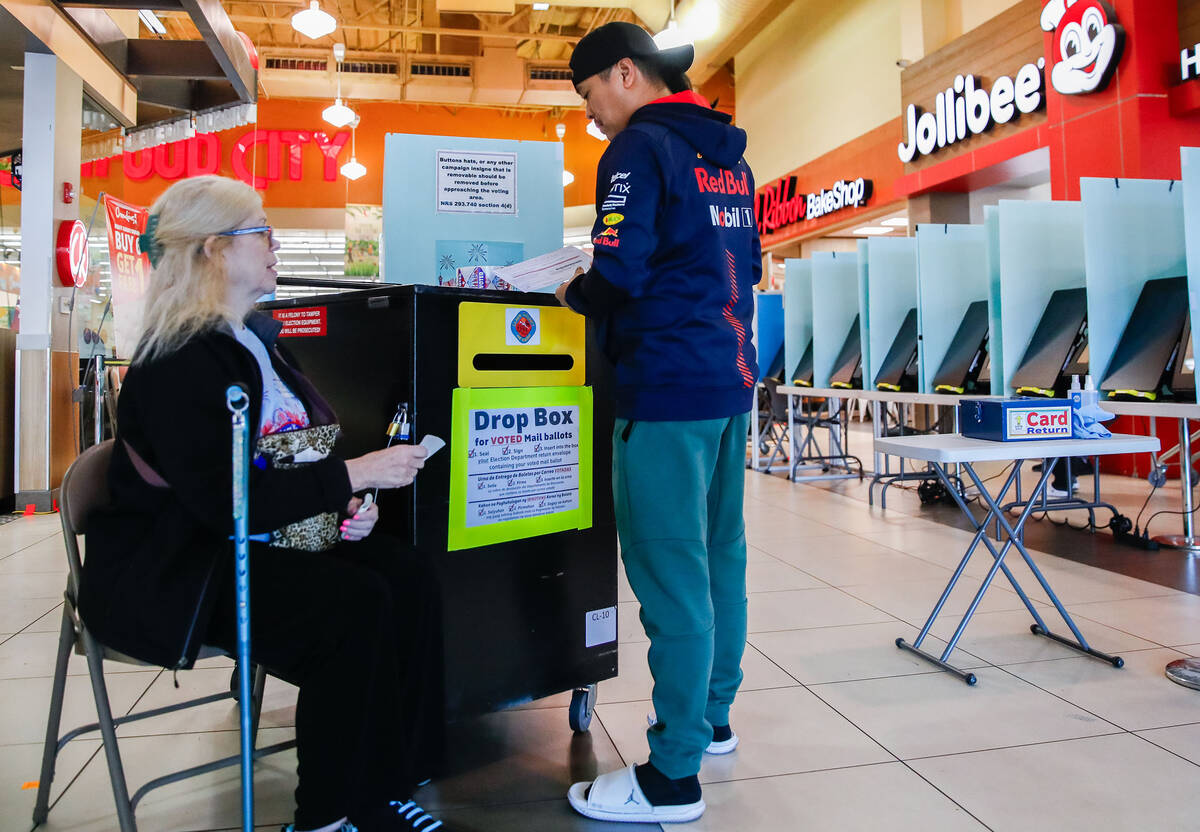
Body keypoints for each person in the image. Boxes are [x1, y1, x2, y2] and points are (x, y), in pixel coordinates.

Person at [78, 175, 447, 832]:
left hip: (262, 546)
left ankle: (383, 786)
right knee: (353, 608)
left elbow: (286, 460)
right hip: (185, 567)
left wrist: (342, 505)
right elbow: (224, 501)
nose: (277, 245)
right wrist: (356, 472)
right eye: (263, 233)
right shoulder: (176, 360)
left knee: (407, 574)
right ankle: (325, 815)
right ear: (215, 251)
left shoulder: (257, 341)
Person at [556, 21, 761, 825]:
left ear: (625, 74)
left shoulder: (638, 149)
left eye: (589, 95)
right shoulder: (729, 156)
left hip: (664, 392)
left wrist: (572, 292)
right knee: (721, 561)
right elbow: (739, 267)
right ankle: (711, 722)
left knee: (671, 575)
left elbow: (618, 271)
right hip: (726, 381)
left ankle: (672, 776)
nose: (592, 116)